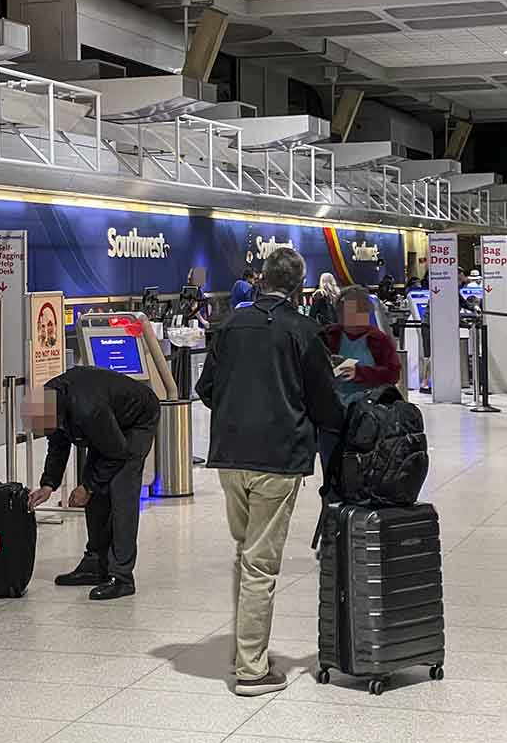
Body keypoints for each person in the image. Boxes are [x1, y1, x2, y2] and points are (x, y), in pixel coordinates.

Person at [196, 248, 343, 696]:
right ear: (298, 287)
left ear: (260, 279)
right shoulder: (302, 331)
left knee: (245, 553)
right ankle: (251, 670)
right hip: (277, 460)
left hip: (230, 458)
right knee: (261, 563)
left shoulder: (228, 326)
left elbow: (206, 390)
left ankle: (244, 649)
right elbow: (324, 404)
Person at [25, 366, 161, 601]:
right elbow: (58, 444)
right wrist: (49, 484)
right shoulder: (47, 404)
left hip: (137, 420)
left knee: (121, 491)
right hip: (108, 422)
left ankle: (122, 576)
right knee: (95, 492)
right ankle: (95, 565)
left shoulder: (88, 410)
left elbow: (117, 453)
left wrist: (87, 487)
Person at [319, 285, 402, 469]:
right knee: (332, 468)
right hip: (333, 415)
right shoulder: (328, 335)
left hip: (368, 416)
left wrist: (361, 373)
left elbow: (393, 373)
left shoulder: (379, 340)